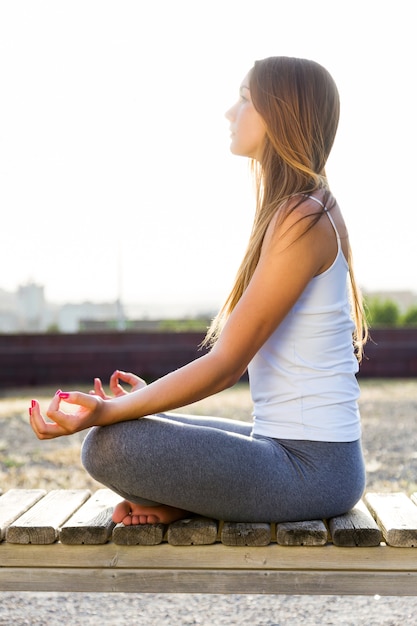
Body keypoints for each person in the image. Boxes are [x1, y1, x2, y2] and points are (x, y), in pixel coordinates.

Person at [29, 56, 368, 526]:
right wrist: (138, 406)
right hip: (290, 451)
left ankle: (174, 502)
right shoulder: (302, 208)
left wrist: (109, 410)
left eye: (245, 99)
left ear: (281, 113)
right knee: (131, 426)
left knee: (109, 443)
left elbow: (225, 365)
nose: (231, 112)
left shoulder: (302, 217)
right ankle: (174, 502)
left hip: (314, 470)